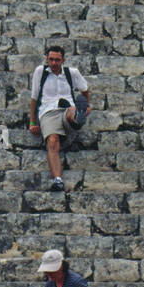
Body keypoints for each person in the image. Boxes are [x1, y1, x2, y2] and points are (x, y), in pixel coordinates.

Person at [28, 45, 90, 191]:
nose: (54, 63)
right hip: (48, 112)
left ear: (63, 60)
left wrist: (87, 105)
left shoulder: (72, 73)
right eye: (51, 59)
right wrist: (32, 122)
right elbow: (34, 97)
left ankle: (77, 119)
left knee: (72, 110)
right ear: (47, 59)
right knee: (53, 141)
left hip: (67, 108)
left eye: (57, 60)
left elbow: (85, 89)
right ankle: (57, 179)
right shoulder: (40, 72)